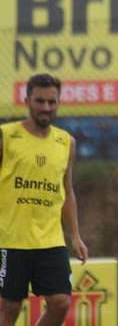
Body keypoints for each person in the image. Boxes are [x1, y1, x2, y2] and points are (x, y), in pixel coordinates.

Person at [0, 73, 88, 326]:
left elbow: (67, 190)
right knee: (10, 307)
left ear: (59, 102)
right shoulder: (6, 136)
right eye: (40, 101)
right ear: (27, 100)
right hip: (11, 238)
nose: (46, 108)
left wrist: (75, 235)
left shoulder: (66, 142)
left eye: (52, 102)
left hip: (50, 239)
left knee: (60, 302)